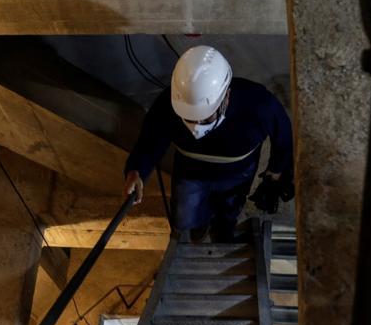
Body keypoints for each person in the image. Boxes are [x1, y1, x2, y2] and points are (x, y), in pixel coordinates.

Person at [123, 45, 294, 242]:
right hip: (190, 174)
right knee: (185, 215)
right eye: (188, 118)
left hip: (237, 175)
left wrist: (276, 171)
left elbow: (283, 138)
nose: (195, 127)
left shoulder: (259, 104)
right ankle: (195, 231)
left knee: (230, 208)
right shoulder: (168, 105)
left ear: (226, 97)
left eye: (203, 118)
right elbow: (150, 140)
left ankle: (223, 230)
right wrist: (137, 170)